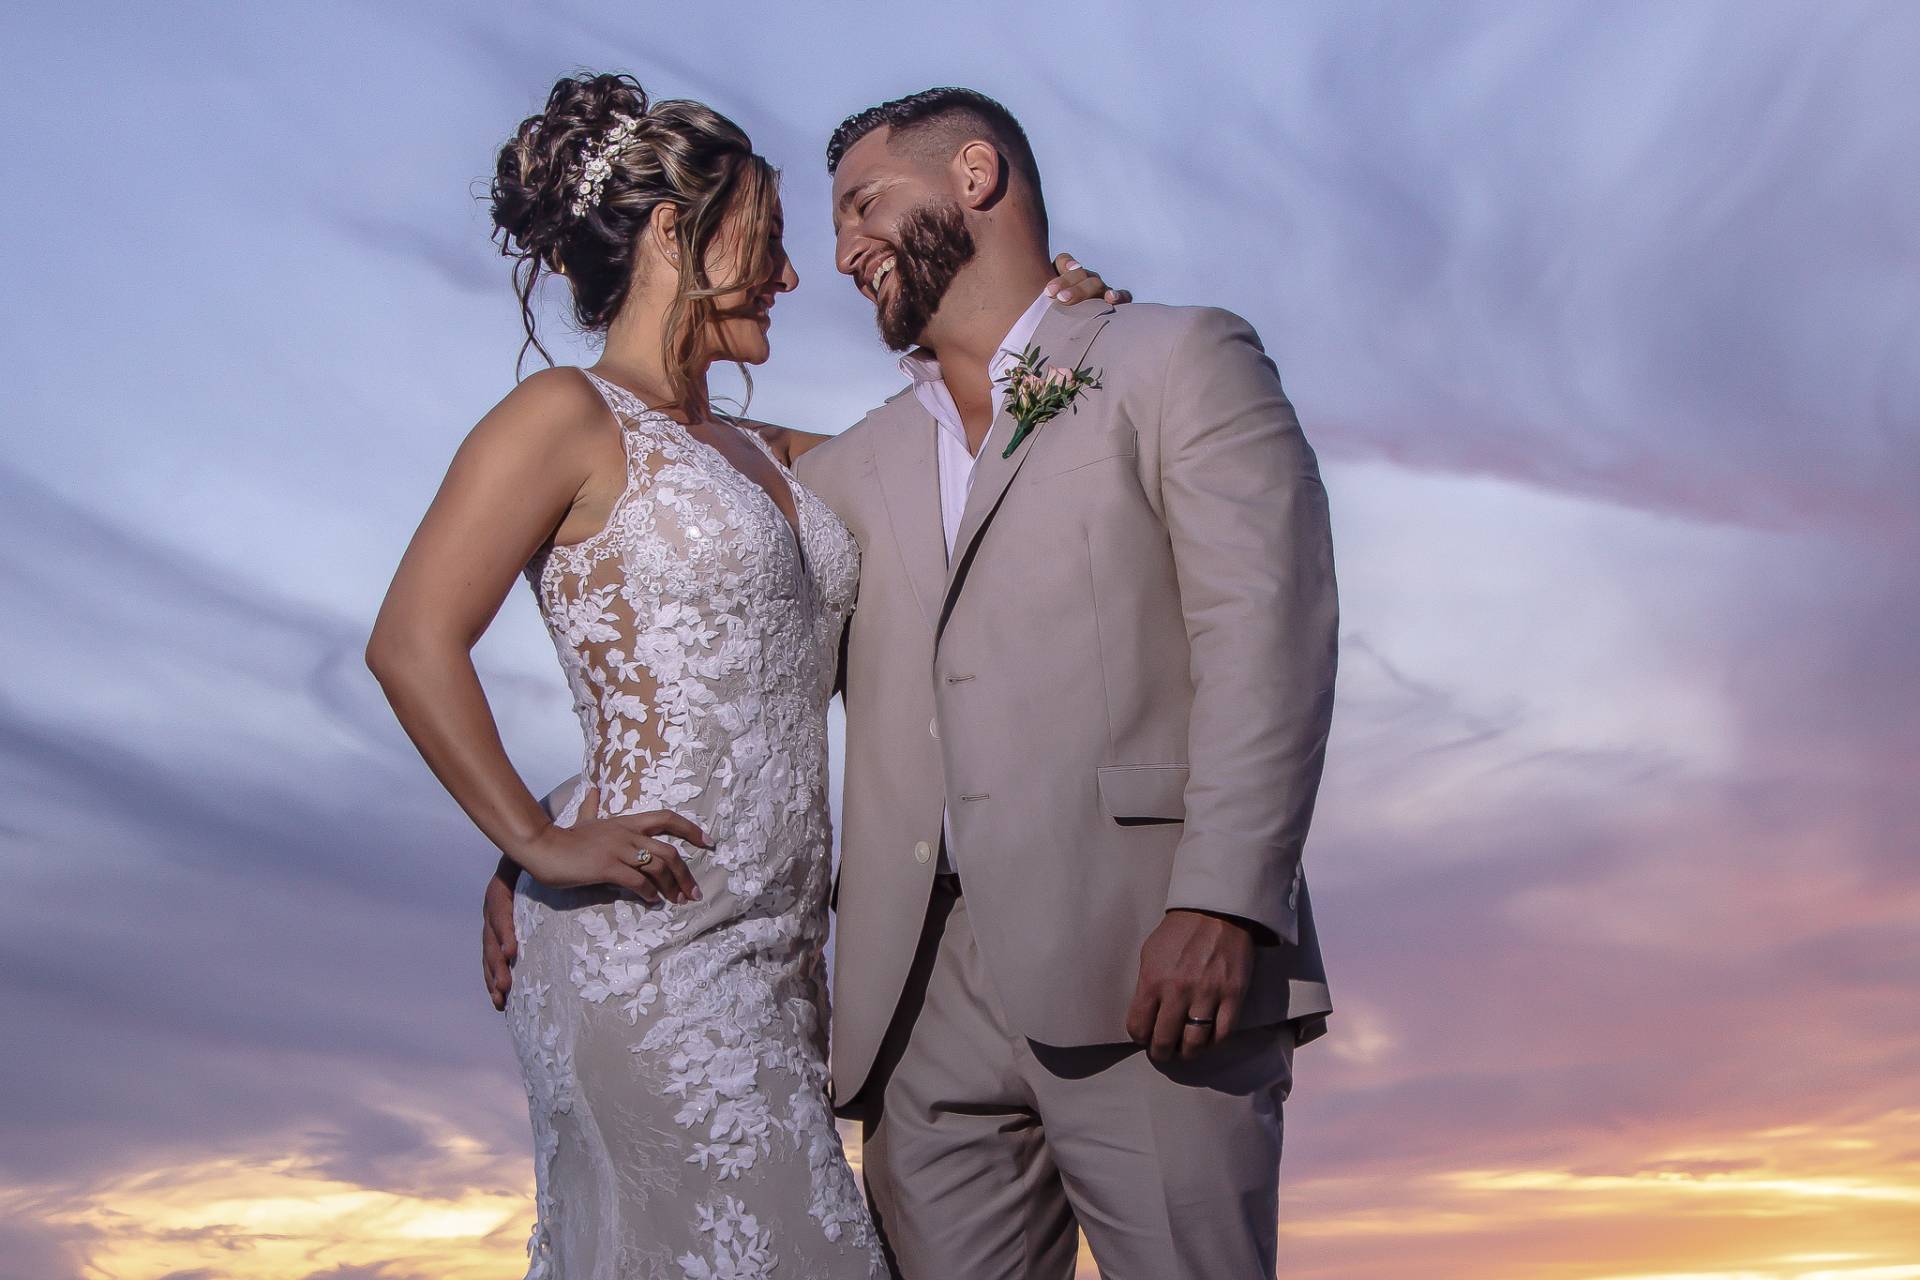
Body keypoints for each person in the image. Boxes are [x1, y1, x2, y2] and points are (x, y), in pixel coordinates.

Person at [367, 72, 1120, 1280]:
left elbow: (966, 441)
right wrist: (539, 837)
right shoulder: (563, 415)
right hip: (648, 943)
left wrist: (1058, 322)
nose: (790, 273)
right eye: (766, 236)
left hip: (781, 958)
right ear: (676, 230)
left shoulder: (777, 456)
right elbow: (409, 638)